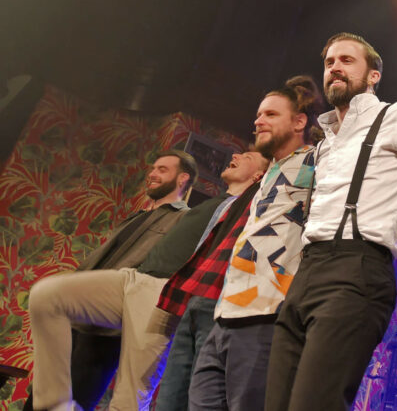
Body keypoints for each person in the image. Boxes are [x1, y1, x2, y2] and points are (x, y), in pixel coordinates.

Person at [265, 33, 397, 410]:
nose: (335, 69)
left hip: (358, 269)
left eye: (346, 60)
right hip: (308, 272)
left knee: (315, 402)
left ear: (373, 75)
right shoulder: (325, 142)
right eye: (329, 63)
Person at [188, 77, 323, 411]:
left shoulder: (317, 161)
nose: (258, 121)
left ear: (299, 122)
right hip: (226, 314)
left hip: (267, 315)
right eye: (258, 114)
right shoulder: (268, 174)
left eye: (270, 115)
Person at [27, 150, 199, 411]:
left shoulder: (184, 219)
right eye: (153, 168)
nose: (152, 174)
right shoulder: (138, 216)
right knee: (40, 400)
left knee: (79, 395)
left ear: (182, 178)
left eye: (163, 169)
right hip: (75, 314)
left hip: (107, 328)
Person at [152, 150, 269, 411]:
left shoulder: (267, 196)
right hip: (196, 296)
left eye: (248, 155)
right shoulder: (226, 204)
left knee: (203, 398)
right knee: (169, 400)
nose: (237, 154)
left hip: (223, 301)